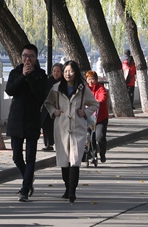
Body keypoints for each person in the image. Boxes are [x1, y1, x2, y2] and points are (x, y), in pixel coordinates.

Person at [44, 61, 97, 203]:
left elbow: (94, 104)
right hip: (61, 127)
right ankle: (67, 188)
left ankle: (72, 191)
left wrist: (85, 112)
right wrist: (54, 111)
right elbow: (48, 103)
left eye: (71, 71)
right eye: (66, 71)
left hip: (77, 128)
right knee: (64, 160)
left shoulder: (82, 89)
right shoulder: (56, 88)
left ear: (76, 72)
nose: (68, 74)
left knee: (75, 159)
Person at [5, 44, 48, 202]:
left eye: (31, 56)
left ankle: (25, 189)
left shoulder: (41, 75)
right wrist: (22, 76)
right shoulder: (15, 72)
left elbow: (40, 95)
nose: (27, 59)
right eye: (25, 56)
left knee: (31, 157)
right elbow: (10, 90)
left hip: (32, 120)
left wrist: (30, 77)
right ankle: (28, 179)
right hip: (16, 119)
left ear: (36, 58)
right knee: (17, 156)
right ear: (21, 57)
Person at [85, 70, 109, 163]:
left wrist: (97, 102)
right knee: (90, 137)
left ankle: (102, 153)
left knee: (99, 137)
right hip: (90, 117)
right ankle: (92, 154)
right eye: (89, 79)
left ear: (96, 80)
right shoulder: (85, 89)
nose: (91, 81)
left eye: (92, 79)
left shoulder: (100, 88)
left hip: (101, 118)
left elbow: (103, 97)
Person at [41, 63, 63, 151]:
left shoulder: (63, 83)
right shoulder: (48, 81)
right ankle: (48, 144)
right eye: (54, 71)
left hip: (59, 108)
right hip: (47, 107)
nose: (56, 73)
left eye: (58, 71)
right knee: (46, 125)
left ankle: (58, 143)